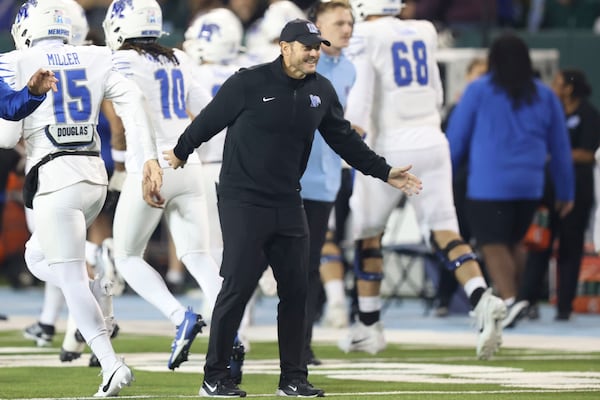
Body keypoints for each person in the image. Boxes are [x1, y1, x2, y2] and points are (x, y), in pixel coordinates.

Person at [163, 17, 422, 398]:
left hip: (288, 200)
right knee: (237, 286)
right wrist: (181, 152)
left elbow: (344, 140)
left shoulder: (321, 91)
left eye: (317, 46)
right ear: (285, 47)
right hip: (243, 200)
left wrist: (384, 171)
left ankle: (293, 378)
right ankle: (215, 376)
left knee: (298, 290)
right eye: (306, 46)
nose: (314, 52)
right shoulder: (248, 82)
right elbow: (209, 120)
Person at [0, 0, 163, 396]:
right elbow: (134, 106)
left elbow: (6, 136)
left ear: (24, 28)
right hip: (94, 176)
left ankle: (110, 364)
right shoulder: (97, 54)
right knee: (36, 257)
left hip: (55, 175)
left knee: (70, 278)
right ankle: (99, 289)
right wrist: (148, 159)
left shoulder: (13, 60)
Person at [339, 0, 506, 361]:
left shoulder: (366, 34)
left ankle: (368, 327)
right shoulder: (425, 30)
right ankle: (480, 296)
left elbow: (362, 97)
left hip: (388, 147)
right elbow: (438, 92)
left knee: (368, 234)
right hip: (432, 137)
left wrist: (349, 139)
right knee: (447, 231)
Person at [102, 0, 224, 371]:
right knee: (199, 256)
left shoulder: (121, 61)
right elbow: (210, 110)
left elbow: (128, 122)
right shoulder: (179, 57)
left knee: (125, 256)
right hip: (187, 161)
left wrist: (134, 163)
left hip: (150, 163)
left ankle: (178, 316)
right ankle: (230, 334)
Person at [447, 33, 575, 328]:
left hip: (488, 185)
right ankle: (516, 300)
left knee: (492, 245)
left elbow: (457, 138)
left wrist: (443, 175)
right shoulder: (545, 95)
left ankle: (510, 301)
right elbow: (560, 148)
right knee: (515, 242)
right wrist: (566, 191)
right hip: (530, 185)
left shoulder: (478, 90)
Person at [516, 69, 600, 323]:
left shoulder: (588, 114)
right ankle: (527, 302)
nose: (553, 86)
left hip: (577, 187)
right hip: (547, 188)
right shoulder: (550, 111)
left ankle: (564, 306)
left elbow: (588, 153)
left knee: (570, 248)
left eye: (558, 82)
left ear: (569, 88)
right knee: (538, 245)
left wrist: (558, 154)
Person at [299, 0, 355, 367]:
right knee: (252, 264)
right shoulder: (301, 64)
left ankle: (301, 345)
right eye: (339, 23)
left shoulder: (349, 69)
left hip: (326, 180)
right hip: (290, 178)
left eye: (350, 22)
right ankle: (229, 341)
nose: (347, 29)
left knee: (307, 266)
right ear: (317, 26)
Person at [435, 57, 488, 317]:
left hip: (483, 185)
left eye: (485, 75)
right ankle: (444, 297)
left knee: (485, 242)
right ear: (468, 76)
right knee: (454, 238)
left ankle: (485, 297)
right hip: (456, 184)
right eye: (477, 73)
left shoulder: (493, 109)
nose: (480, 80)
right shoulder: (457, 108)